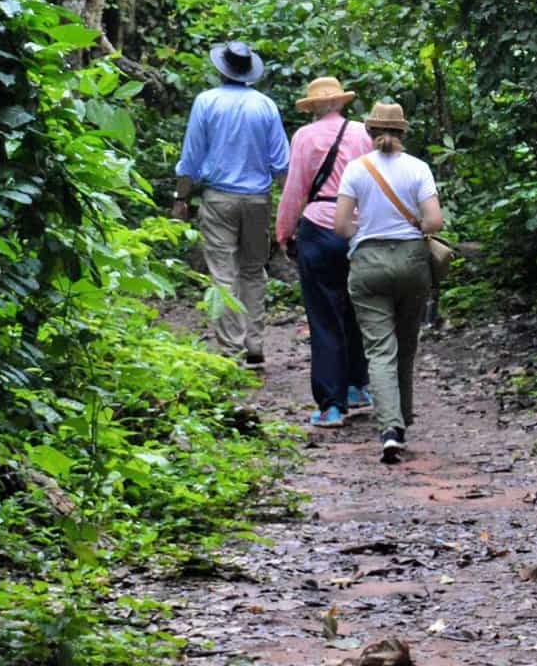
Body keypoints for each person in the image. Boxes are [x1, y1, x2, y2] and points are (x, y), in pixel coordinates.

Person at [334, 102, 443, 464]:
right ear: (402, 132)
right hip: (412, 263)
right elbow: (434, 222)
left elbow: (341, 226)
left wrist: (362, 233)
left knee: (380, 351)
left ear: (369, 132)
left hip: (368, 264)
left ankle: (390, 430)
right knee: (406, 344)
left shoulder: (355, 169)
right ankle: (403, 417)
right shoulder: (418, 168)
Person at [173, 40, 289, 366]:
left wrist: (181, 199)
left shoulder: (206, 102)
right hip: (257, 200)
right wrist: (292, 208)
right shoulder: (265, 105)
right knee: (253, 271)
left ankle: (230, 349)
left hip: (219, 199)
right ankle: (254, 344)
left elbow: (191, 158)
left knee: (223, 274)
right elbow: (281, 163)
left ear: (220, 69)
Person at [276, 76, 374, 428]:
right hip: (358, 228)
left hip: (318, 229)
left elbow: (295, 189)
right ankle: (356, 387)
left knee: (324, 316)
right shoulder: (363, 133)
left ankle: (331, 405)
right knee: (356, 308)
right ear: (342, 104)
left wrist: (284, 233)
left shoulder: (304, 136)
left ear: (314, 106)